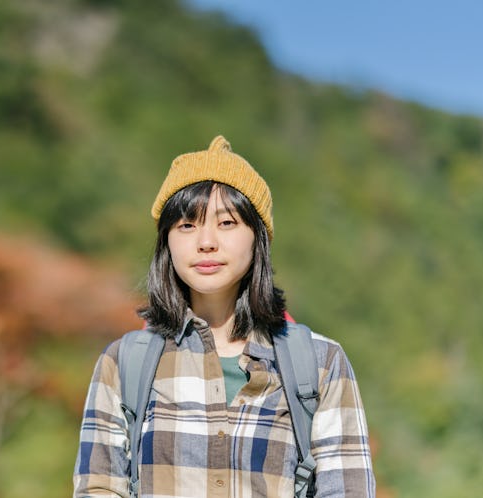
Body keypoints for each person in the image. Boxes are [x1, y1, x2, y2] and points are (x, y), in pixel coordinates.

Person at [73, 135, 375, 497]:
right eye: (187, 225)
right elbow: (99, 489)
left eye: (227, 222)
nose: (206, 241)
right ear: (167, 242)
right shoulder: (124, 363)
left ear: (257, 238)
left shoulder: (321, 364)